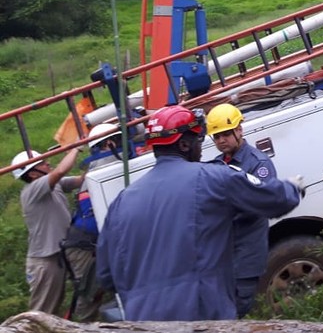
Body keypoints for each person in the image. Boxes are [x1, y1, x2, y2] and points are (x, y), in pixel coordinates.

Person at [96, 105, 304, 321]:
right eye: (199, 140)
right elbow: (273, 200)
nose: (203, 148)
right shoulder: (212, 177)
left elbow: (106, 275)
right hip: (202, 315)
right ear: (185, 144)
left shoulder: (121, 202)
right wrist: (292, 188)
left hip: (143, 321)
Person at [206, 103, 277, 318]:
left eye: (226, 134)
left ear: (239, 130)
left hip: (246, 254)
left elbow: (262, 204)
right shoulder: (217, 165)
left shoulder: (258, 164)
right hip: (224, 255)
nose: (221, 141)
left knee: (236, 310)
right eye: (216, 137)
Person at [62, 124, 122, 321]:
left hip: (95, 241)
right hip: (84, 246)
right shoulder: (103, 168)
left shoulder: (105, 167)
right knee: (90, 293)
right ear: (108, 144)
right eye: (118, 140)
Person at [12, 145, 83, 314]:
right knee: (42, 313)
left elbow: (80, 180)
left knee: (56, 305)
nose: (47, 163)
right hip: (45, 261)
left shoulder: (51, 185)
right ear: (33, 174)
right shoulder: (33, 190)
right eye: (42, 163)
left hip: (58, 253)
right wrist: (74, 149)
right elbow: (59, 172)